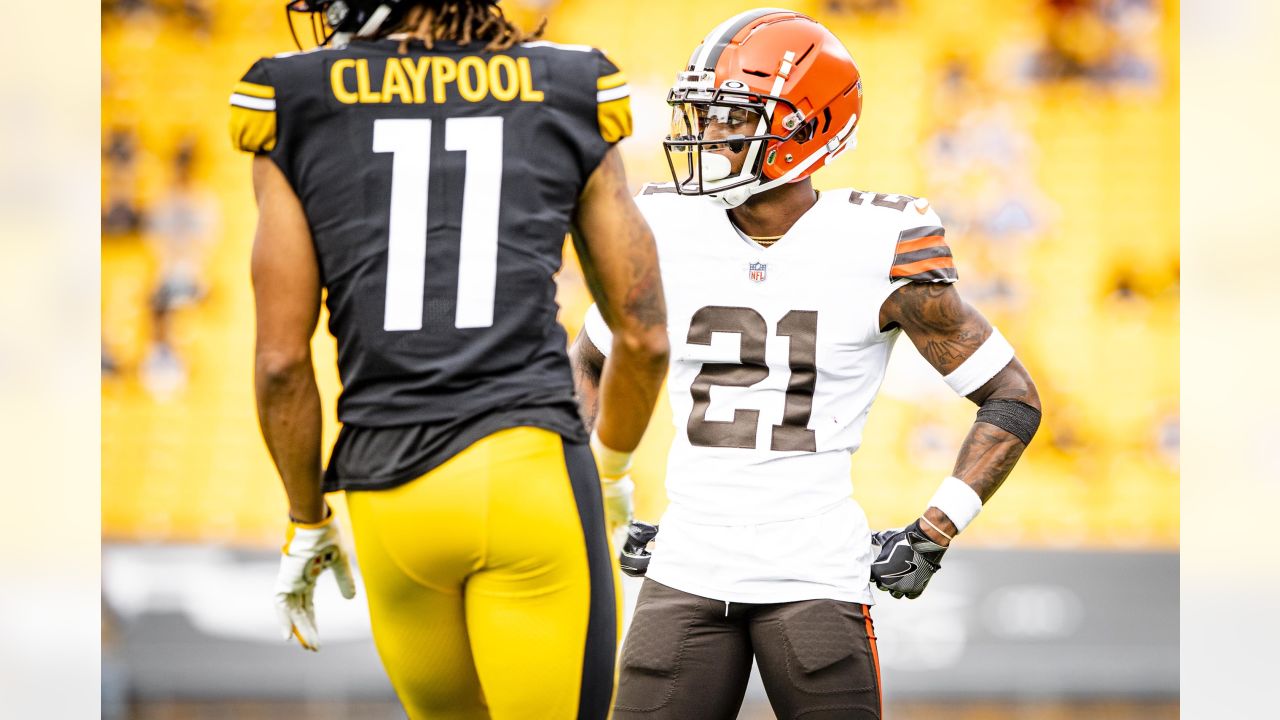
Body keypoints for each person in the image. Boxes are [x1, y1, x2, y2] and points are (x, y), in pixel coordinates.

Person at [569, 9, 1041, 719]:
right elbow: (588, 365)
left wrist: (936, 528)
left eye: (731, 118)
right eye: (704, 114)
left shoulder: (879, 241)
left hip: (815, 573)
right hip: (686, 565)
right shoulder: (665, 223)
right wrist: (610, 495)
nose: (706, 135)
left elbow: (1011, 397)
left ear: (804, 127)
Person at [231, 2, 669, 718]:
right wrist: (613, 463)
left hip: (386, 493)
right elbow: (645, 334)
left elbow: (281, 361)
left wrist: (306, 518)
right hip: (525, 473)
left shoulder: (296, 97)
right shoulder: (564, 84)